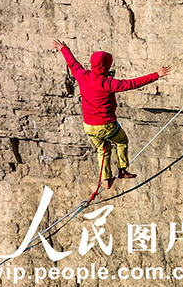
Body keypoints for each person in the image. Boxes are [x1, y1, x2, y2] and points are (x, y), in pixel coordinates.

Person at [53, 39, 171, 189]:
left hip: (89, 126)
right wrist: (156, 75)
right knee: (121, 141)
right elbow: (133, 83)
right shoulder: (108, 83)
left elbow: (72, 63)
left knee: (103, 150)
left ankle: (106, 180)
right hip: (106, 125)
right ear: (107, 65)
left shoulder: (82, 76)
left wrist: (63, 48)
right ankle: (122, 170)